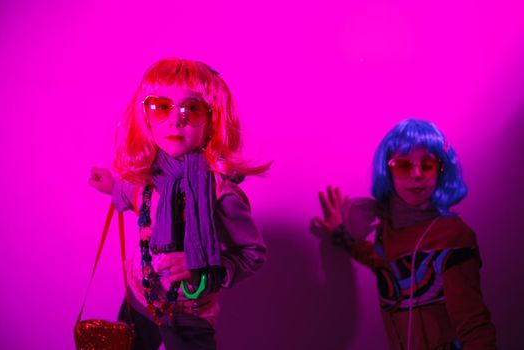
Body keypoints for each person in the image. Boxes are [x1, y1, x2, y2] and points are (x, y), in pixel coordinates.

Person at [89, 57, 269, 350]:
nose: (176, 119)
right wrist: (110, 185)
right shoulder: (148, 178)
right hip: (140, 299)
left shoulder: (221, 194)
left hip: (189, 314)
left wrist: (204, 266)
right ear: (145, 116)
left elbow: (252, 255)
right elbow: (132, 195)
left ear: (213, 121)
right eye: (161, 107)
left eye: (193, 108)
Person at [313, 119, 497, 349]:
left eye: (427, 165)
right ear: (387, 172)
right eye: (403, 165)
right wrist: (341, 235)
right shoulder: (388, 230)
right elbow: (383, 263)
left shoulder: (452, 236)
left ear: (441, 171)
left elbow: (474, 325)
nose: (416, 174)